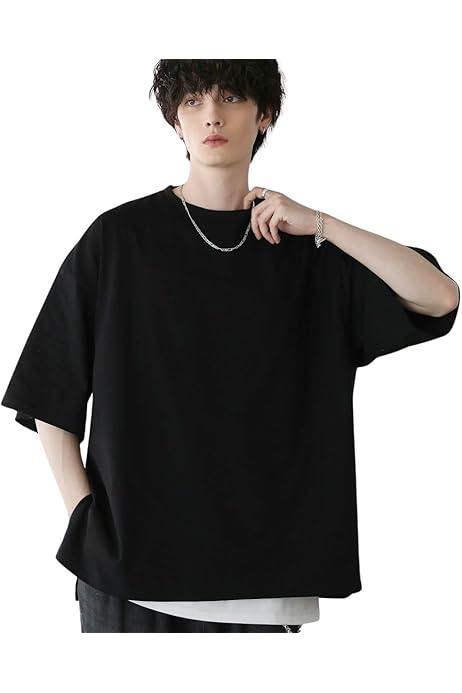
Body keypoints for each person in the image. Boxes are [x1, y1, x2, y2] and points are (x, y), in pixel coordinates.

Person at [1, 59, 459, 633]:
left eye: (231, 98)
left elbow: (439, 297)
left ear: (264, 115)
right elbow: (50, 391)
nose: (212, 116)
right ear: (175, 120)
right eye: (193, 101)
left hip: (267, 580)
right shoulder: (118, 240)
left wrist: (319, 222)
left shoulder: (309, 254)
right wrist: (86, 519)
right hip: (129, 577)